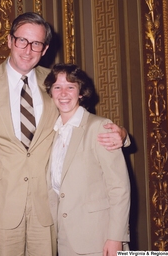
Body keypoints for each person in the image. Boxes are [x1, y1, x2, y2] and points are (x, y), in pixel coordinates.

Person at [0, 12, 128, 256]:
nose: (28, 50)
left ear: (45, 48)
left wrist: (123, 135)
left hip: (47, 207)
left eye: (36, 43)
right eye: (22, 40)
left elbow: (83, 120)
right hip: (0, 205)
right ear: (9, 40)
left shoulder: (52, 82)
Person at [44, 63, 130, 256]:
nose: (63, 93)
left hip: (98, 239)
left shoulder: (100, 127)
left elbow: (119, 188)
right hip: (64, 238)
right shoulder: (52, 132)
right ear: (51, 93)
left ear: (81, 93)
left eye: (71, 87)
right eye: (57, 87)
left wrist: (116, 237)